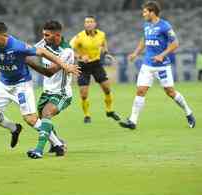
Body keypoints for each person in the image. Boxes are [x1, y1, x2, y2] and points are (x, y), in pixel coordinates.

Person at [0, 21, 80, 153]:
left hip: (22, 85)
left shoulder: (17, 46)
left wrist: (65, 65)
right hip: (3, 84)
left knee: (33, 119)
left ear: (3, 35)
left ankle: (57, 145)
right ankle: (14, 128)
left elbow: (44, 57)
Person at [119, 1, 196, 129]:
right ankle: (132, 121)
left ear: (152, 12)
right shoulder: (146, 25)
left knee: (170, 92)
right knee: (140, 90)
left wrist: (162, 55)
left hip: (162, 65)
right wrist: (135, 53)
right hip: (147, 65)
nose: (143, 14)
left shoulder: (165, 26)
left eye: (145, 12)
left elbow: (175, 43)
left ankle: (188, 112)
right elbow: (144, 40)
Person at [25, 20, 75, 158]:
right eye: (44, 34)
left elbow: (49, 72)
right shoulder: (43, 43)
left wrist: (28, 61)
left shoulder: (66, 51)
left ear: (57, 35)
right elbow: (28, 52)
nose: (44, 37)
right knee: (41, 121)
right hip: (46, 92)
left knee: (47, 114)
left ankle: (38, 150)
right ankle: (58, 145)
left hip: (62, 92)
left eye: (47, 35)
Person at [70, 15, 120, 123]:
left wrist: (106, 53)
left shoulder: (101, 34)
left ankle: (109, 110)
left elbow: (103, 44)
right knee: (83, 94)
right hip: (83, 66)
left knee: (107, 89)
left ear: (95, 24)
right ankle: (87, 115)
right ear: (84, 24)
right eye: (86, 22)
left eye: (91, 21)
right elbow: (69, 51)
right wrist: (80, 57)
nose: (88, 23)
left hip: (96, 64)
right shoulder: (79, 37)